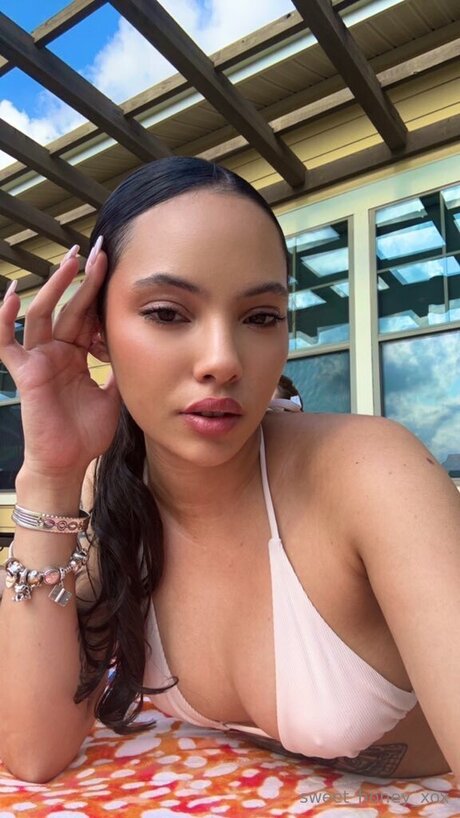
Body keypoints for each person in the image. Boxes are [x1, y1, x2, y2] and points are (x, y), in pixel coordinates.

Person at [0, 157, 459, 785]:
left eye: (260, 317)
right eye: (168, 313)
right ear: (97, 331)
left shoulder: (371, 475)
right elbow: (34, 749)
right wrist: (50, 478)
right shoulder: (109, 492)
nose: (222, 360)